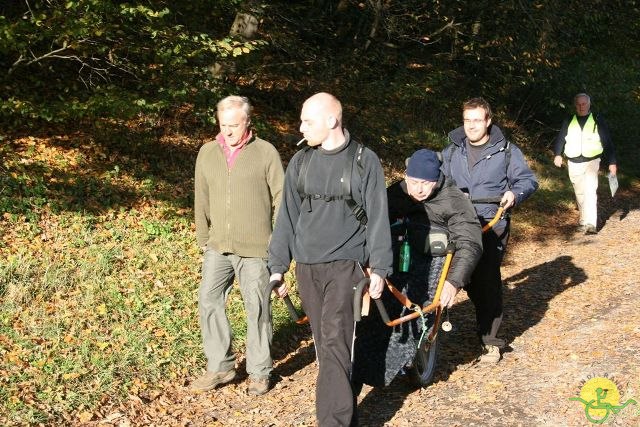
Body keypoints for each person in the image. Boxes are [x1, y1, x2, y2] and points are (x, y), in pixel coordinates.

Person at [268, 92, 393, 426]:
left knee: (336, 342)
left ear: (331, 120)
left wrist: (380, 267)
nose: (300, 127)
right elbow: (287, 219)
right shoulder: (300, 162)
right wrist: (277, 267)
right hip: (308, 267)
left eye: (307, 121)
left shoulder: (365, 161)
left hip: (346, 267)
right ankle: (343, 417)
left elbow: (379, 217)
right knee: (325, 349)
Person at [352, 148, 483, 388]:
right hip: (397, 255)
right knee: (376, 314)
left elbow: (470, 242)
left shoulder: (453, 200)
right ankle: (360, 370)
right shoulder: (395, 194)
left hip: (435, 261)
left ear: (437, 179)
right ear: (405, 176)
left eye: (426, 183)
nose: (419, 189)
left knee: (419, 312)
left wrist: (454, 282)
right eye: (413, 182)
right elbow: (368, 224)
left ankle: (407, 356)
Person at [191, 95, 284, 396]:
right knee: (208, 299)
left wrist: (278, 243)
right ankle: (221, 366)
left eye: (234, 124)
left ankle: (259, 371)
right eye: (223, 124)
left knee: (257, 307)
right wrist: (204, 238)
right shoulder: (206, 152)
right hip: (218, 245)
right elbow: (201, 197)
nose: (228, 131)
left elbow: (282, 198)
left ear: (247, 121)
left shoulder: (265, 152)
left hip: (256, 248)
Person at [442, 97, 538, 363]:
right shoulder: (451, 151)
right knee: (443, 274)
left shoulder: (506, 150)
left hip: (490, 222)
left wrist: (514, 194)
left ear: (488, 121)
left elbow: (528, 180)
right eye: (467, 120)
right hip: (456, 223)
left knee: (486, 282)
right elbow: (436, 180)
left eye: (477, 120)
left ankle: (490, 340)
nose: (471, 126)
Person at [553, 93, 618, 235]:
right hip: (573, 161)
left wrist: (612, 162)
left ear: (589, 104)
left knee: (590, 191)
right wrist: (557, 154)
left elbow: (607, 141)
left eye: (584, 104)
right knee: (579, 192)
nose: (581, 106)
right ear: (575, 105)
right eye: (579, 104)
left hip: (592, 160)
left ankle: (591, 223)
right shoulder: (569, 119)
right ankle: (583, 220)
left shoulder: (597, 119)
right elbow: (560, 138)